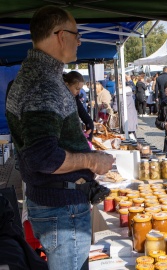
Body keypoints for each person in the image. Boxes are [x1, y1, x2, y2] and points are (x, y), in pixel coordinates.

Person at [5, 6, 114, 270]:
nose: (79, 41)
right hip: (62, 210)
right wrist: (92, 160)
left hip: (55, 204)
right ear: (59, 35)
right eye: (76, 34)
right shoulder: (42, 83)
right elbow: (42, 156)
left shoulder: (36, 77)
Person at [63, 71, 94, 141]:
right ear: (66, 85)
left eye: (80, 89)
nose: (79, 92)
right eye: (77, 88)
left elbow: (86, 118)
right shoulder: (56, 99)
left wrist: (88, 138)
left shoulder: (75, 98)